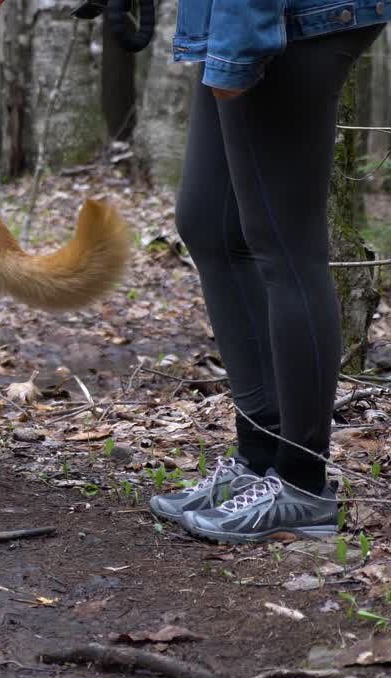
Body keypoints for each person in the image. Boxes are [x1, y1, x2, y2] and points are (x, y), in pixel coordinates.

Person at [148, 2, 387, 543]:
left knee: (284, 243)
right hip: (238, 15)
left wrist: (237, 48)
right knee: (208, 221)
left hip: (288, 16)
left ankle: (302, 484)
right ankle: (258, 459)